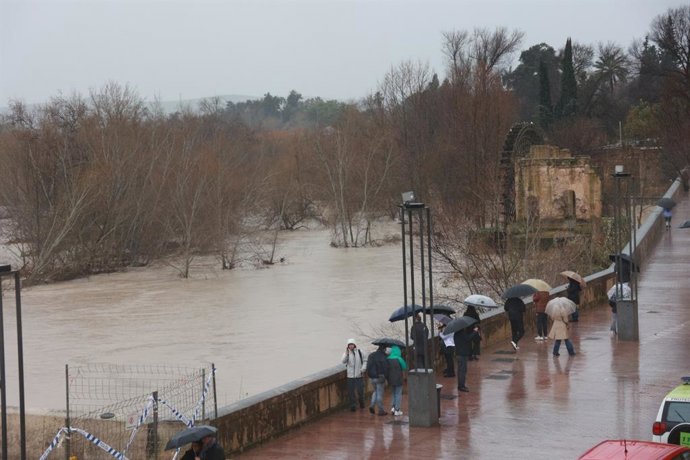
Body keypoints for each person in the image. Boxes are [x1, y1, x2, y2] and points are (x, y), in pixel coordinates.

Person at [341, 338, 365, 411]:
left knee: (360, 391)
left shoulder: (360, 352)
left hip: (358, 375)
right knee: (351, 392)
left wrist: (363, 368)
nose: (351, 346)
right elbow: (343, 361)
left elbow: (365, 360)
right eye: (349, 345)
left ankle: (361, 403)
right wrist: (347, 354)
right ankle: (353, 405)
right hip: (350, 376)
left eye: (352, 345)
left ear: (354, 345)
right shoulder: (346, 353)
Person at [454, 324, 480, 392]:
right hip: (462, 354)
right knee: (462, 371)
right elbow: (468, 338)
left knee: (460, 370)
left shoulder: (456, 333)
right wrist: (475, 331)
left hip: (458, 353)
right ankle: (461, 386)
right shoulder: (461, 333)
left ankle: (460, 385)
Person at [366, 344, 389, 416]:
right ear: (384, 349)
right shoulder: (383, 356)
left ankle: (372, 405)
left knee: (375, 391)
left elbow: (368, 366)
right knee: (379, 393)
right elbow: (386, 368)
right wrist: (386, 376)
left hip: (372, 377)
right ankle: (381, 410)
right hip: (380, 377)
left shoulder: (371, 355)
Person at [386, 345, 407, 416]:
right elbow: (404, 367)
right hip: (398, 379)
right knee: (398, 394)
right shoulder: (399, 359)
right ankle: (397, 409)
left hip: (390, 379)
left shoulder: (388, 358)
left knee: (393, 393)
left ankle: (393, 407)